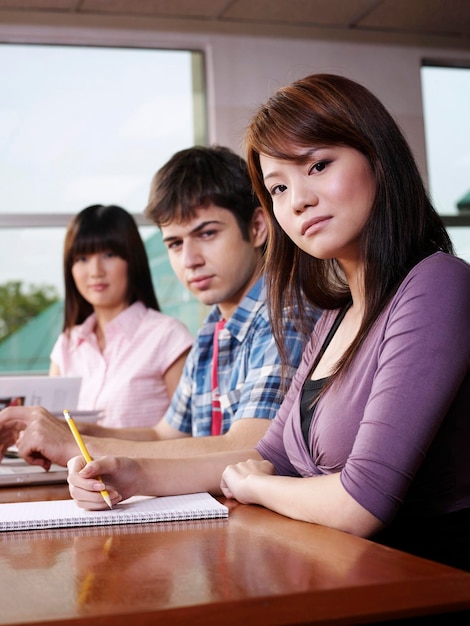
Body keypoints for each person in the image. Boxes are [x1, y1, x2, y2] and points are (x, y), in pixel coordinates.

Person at [65, 75, 470, 572]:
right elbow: (270, 451)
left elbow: (361, 503)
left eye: (318, 165)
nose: (297, 200)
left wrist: (255, 485)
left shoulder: (438, 284)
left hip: (423, 586)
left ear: (378, 158)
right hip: (341, 576)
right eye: (279, 186)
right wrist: (132, 475)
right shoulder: (335, 314)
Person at [0, 146, 311, 464]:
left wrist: (75, 445)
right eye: (175, 244)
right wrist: (67, 432)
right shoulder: (213, 330)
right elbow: (163, 435)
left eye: (206, 234)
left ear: (257, 227)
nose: (190, 260)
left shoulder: (284, 315)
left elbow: (247, 450)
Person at [50, 204, 193, 429]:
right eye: (82, 259)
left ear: (132, 260)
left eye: (109, 255)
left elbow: (190, 435)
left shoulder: (169, 337)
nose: (95, 271)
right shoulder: (66, 345)